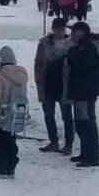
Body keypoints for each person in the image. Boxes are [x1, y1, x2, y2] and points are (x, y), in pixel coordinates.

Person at [66, 21, 99, 168]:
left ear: (82, 31)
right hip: (81, 90)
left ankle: (92, 157)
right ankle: (85, 153)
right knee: (81, 123)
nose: (72, 35)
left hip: (85, 90)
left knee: (87, 123)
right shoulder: (86, 45)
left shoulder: (91, 46)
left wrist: (72, 50)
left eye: (74, 32)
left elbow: (81, 63)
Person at [0, 46, 28, 178]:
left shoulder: (0, 77)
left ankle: (3, 166)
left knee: (2, 140)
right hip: (16, 113)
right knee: (11, 139)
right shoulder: (22, 76)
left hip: (1, 114)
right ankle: (11, 163)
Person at [34, 17, 74, 154]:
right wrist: (38, 79)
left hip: (65, 87)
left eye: (63, 29)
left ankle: (69, 144)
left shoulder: (71, 44)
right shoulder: (44, 44)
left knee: (67, 116)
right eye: (58, 29)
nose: (60, 32)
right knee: (48, 115)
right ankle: (54, 141)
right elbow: (38, 63)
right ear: (53, 29)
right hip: (48, 86)